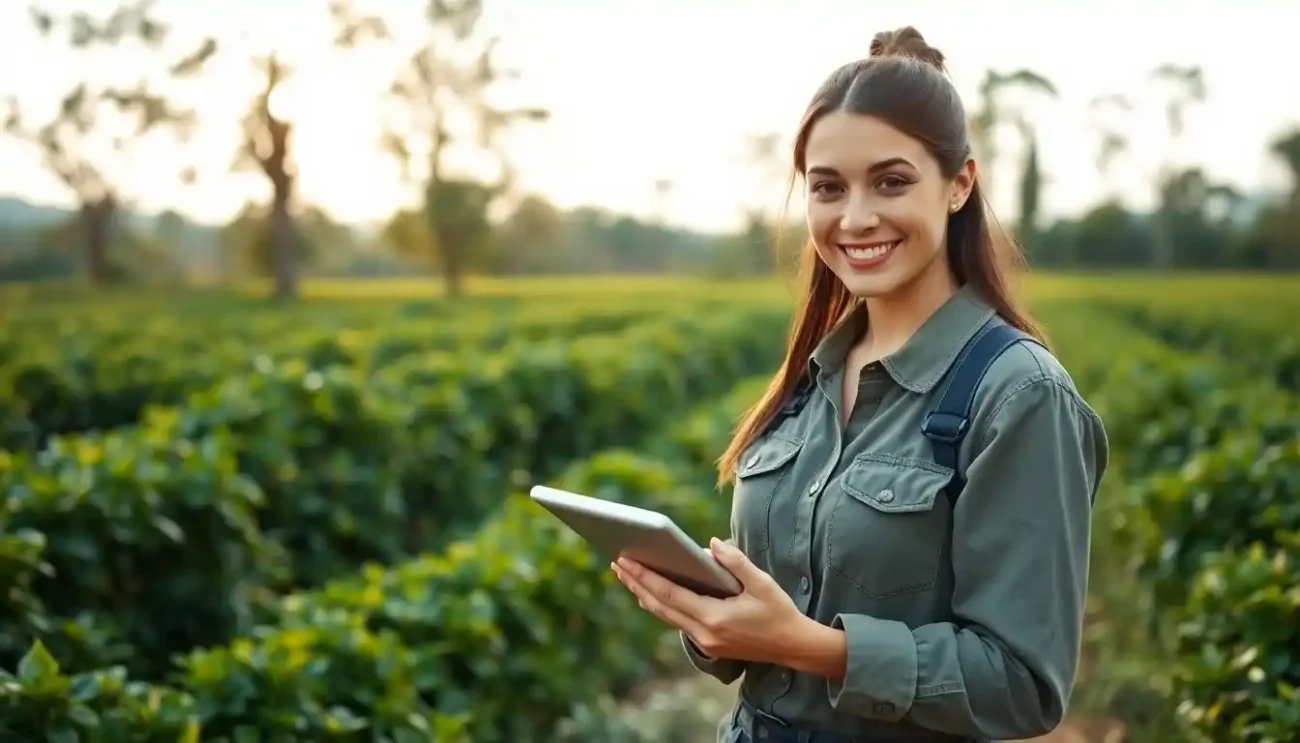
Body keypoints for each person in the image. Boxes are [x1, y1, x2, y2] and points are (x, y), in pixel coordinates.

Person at [610, 25, 1110, 743]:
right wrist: (716, 620)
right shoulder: (809, 377)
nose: (855, 218)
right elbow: (781, 610)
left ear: (960, 184)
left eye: (891, 182)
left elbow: (1023, 685)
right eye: (828, 188)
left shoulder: (1019, 395)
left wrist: (811, 646)